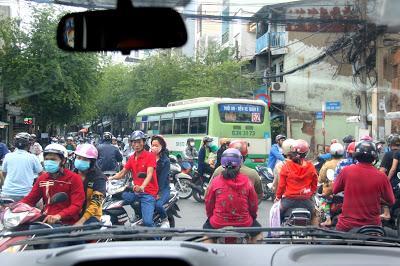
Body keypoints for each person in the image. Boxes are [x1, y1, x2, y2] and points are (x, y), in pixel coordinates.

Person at [333, 141, 395, 232]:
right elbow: (391, 200)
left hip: (346, 226)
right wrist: (378, 199)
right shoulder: (381, 176)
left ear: (356, 155)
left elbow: (335, 190)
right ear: (374, 157)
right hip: (372, 228)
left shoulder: (346, 171)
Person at [204, 148, 261, 243]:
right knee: (258, 234)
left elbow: (209, 202)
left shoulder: (216, 181)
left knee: (207, 235)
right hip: (244, 222)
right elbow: (253, 203)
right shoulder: (246, 181)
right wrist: (252, 216)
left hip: (218, 222)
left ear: (223, 164)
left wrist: (211, 216)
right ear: (240, 163)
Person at [21, 143, 85, 225]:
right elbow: (30, 200)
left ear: (63, 161)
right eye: (47, 159)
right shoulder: (42, 179)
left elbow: (77, 205)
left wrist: (59, 216)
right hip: (45, 220)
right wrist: (13, 207)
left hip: (65, 223)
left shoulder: (74, 178)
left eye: (53, 159)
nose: (49, 162)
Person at [110, 131, 158, 227]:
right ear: (131, 143)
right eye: (134, 142)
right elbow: (122, 173)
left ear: (143, 142)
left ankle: (157, 241)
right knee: (118, 198)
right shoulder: (132, 158)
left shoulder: (150, 156)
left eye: (139, 142)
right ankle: (134, 216)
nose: (136, 145)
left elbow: (149, 174)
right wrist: (109, 178)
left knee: (148, 222)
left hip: (148, 193)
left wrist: (142, 187)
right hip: (135, 191)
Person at [275, 139, 318, 223]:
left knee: (276, 214)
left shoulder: (286, 166)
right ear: (306, 153)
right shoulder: (311, 166)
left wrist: (278, 197)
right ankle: (313, 235)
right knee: (315, 216)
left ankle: (277, 233)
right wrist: (310, 193)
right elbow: (314, 184)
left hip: (288, 201)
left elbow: (281, 185)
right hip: (307, 201)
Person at [1, 133, 43, 201]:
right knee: (40, 207)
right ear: (29, 145)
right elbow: (41, 174)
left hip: (6, 193)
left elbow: (4, 173)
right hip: (26, 194)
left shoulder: (8, 156)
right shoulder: (32, 157)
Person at [73, 143, 106, 225]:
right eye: (78, 158)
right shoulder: (73, 174)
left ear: (92, 162)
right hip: (74, 214)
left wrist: (81, 222)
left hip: (91, 216)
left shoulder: (98, 178)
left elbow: (96, 202)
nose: (80, 160)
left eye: (84, 159)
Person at [318, 143, 345, 226]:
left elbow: (321, 179)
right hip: (345, 192)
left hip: (331, 192)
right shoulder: (347, 163)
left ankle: (328, 219)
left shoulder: (327, 164)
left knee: (323, 201)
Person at [150, 135, 171, 228]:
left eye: (156, 145)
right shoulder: (148, 157)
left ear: (161, 146)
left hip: (162, 189)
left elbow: (162, 179)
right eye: (152, 145)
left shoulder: (165, 161)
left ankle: (164, 219)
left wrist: (158, 192)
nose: (154, 147)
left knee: (158, 205)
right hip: (149, 187)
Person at [380, 135, 400, 220]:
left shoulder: (388, 154)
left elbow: (383, 171)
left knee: (382, 194)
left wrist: (386, 180)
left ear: (390, 144)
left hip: (394, 183)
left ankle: (386, 213)